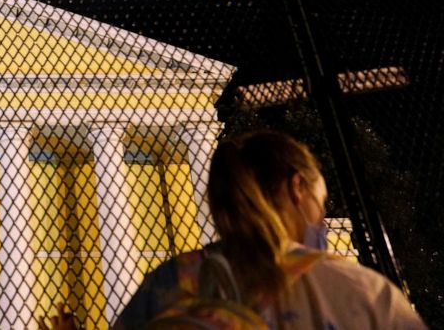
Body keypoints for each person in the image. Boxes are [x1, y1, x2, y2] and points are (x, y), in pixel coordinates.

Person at [114, 130, 427, 329]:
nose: (322, 219)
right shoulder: (361, 291)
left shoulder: (165, 284)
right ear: (297, 188)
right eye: (322, 202)